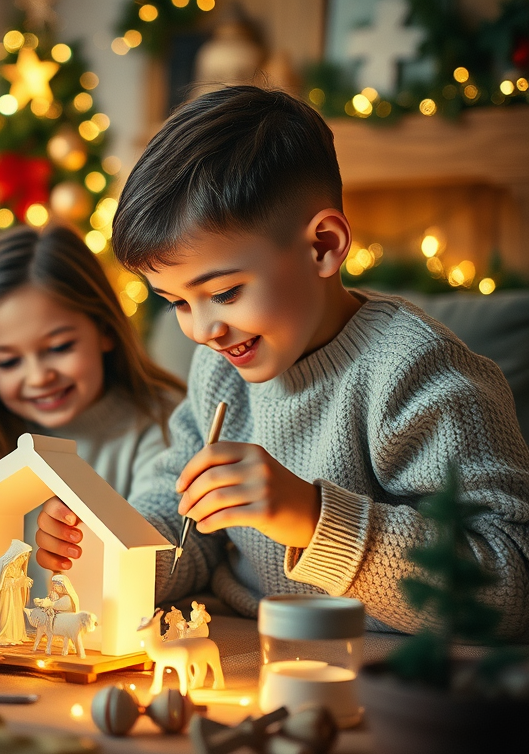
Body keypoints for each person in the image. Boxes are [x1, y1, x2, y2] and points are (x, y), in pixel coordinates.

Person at [35, 86, 529, 638]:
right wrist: (110, 546)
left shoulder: (415, 372)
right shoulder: (219, 370)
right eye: (177, 302)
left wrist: (314, 518)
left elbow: (513, 585)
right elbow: (185, 525)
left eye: (224, 293)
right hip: (245, 642)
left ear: (323, 245)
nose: (203, 331)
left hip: (386, 665)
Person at [0, 225, 185, 599]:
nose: (39, 377)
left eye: (59, 347)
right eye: (8, 362)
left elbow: (172, 540)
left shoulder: (164, 423)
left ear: (105, 330)